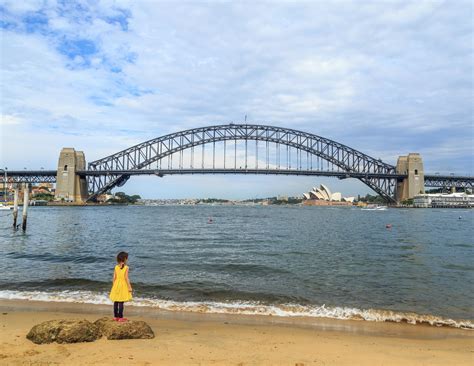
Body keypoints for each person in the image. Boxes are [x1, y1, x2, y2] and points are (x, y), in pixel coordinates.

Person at [109, 251, 133, 322]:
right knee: (121, 301)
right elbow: (126, 278)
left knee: (116, 301)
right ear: (125, 259)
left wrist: (114, 286)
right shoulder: (126, 267)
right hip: (123, 285)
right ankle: (121, 317)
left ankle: (115, 317)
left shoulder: (116, 267)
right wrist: (129, 287)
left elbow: (114, 277)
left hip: (116, 284)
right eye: (127, 258)